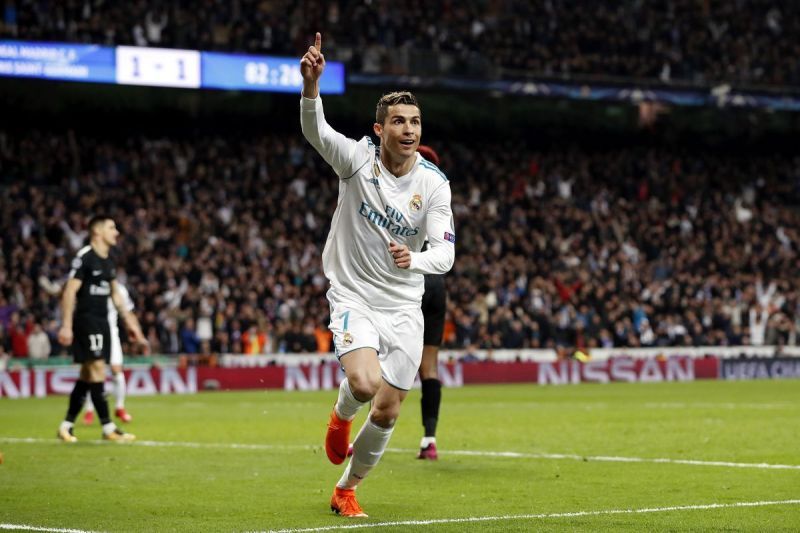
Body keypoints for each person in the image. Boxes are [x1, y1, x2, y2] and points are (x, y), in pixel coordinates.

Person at [300, 32, 455, 518]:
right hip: (354, 297)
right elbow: (317, 133)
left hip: (405, 305)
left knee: (388, 410)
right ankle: (341, 413)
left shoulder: (433, 185)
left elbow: (445, 254)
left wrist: (418, 260)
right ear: (379, 128)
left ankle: (346, 489)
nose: (408, 129)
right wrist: (311, 88)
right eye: (398, 121)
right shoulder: (357, 160)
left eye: (414, 121)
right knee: (365, 386)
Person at [56, 215, 148, 443]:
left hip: (103, 323)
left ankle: (66, 426)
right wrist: (66, 325)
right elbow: (69, 292)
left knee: (87, 376)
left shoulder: (108, 261)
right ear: (97, 232)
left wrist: (129, 323)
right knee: (97, 370)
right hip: (86, 321)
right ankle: (108, 428)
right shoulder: (85, 257)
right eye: (111, 228)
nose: (116, 232)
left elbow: (116, 294)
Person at [415, 144, 447, 461]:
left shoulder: (403, 190)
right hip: (437, 283)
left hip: (411, 277)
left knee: (380, 360)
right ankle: (429, 440)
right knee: (430, 366)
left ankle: (366, 436)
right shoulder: (440, 197)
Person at [82, 282, 136, 425]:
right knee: (92, 372)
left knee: (116, 370)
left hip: (112, 334)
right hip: (93, 332)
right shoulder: (90, 285)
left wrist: (132, 329)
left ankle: (120, 408)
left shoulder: (119, 289)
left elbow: (127, 311)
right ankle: (89, 410)